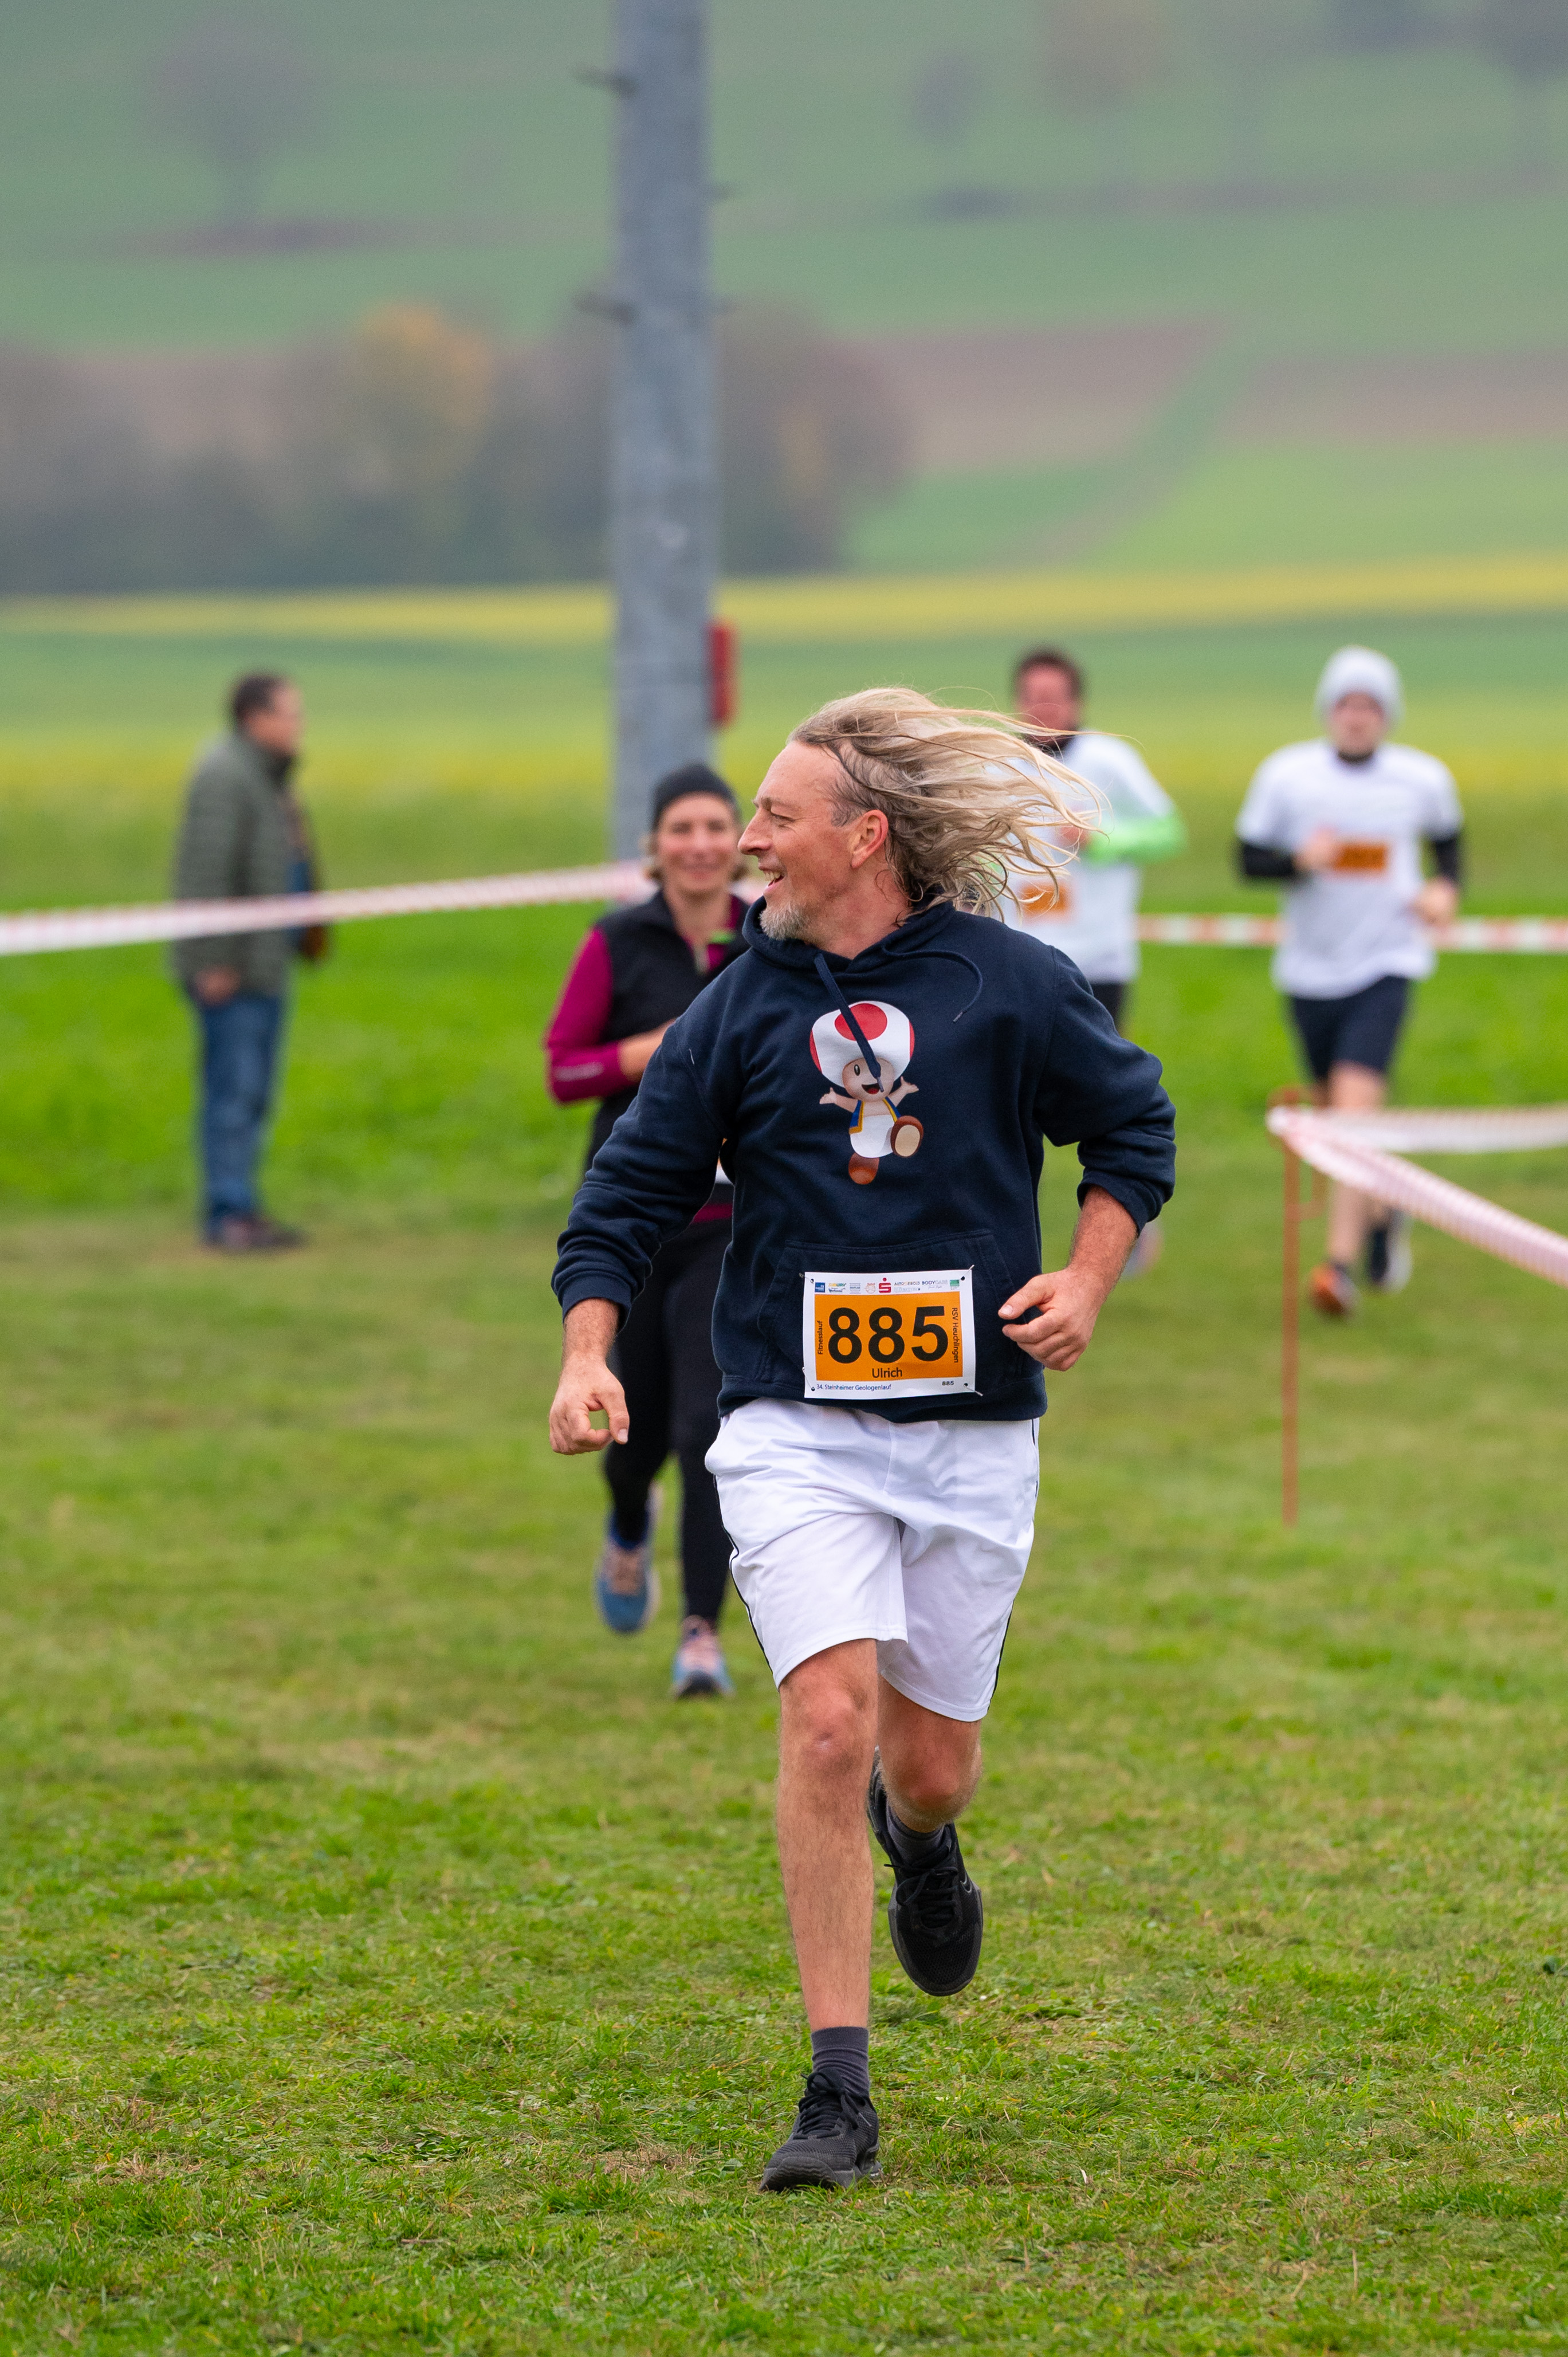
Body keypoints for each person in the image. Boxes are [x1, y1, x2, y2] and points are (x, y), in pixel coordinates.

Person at [549, 690, 1175, 2190]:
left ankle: (927, 1842)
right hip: (791, 1420)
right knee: (827, 1721)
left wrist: (1087, 1276)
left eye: (775, 816)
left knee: (929, 1766)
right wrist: (586, 1350)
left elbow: (1134, 1128)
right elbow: (626, 1190)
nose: (749, 841)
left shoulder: (1009, 984)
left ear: (865, 836)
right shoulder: (737, 1007)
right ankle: (838, 2088)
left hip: (970, 1433)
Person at [544, 764, 749, 1699]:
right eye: (682, 828)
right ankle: (629, 1519)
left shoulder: (766, 938)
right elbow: (563, 1071)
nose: (699, 844)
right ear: (655, 846)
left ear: (740, 841)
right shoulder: (616, 940)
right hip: (637, 1218)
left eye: (715, 826)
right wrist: (648, 1050)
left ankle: (701, 1632)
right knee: (638, 1432)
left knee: (709, 1426)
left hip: (731, 1220)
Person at [1236, 645, 1463, 1318]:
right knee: (1334, 1113)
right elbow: (1247, 859)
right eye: (1346, 703)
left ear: (1386, 714)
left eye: (1369, 705)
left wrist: (1444, 892)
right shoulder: (1288, 775)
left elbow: (1449, 848)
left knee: (1350, 1117)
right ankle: (1386, 1210)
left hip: (1387, 962)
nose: (1357, 716)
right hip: (1310, 971)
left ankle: (1336, 1267)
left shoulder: (1421, 778)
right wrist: (1297, 861)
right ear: (1328, 711)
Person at [171, 673, 325, 1252]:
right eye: (289, 714)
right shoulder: (224, 775)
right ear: (255, 717)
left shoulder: (265, 776)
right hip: (232, 968)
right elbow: (205, 872)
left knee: (253, 1092)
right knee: (233, 1094)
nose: (298, 725)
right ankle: (229, 1211)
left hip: (264, 961)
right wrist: (213, 959)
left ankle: (243, 1205)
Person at [1005, 645, 1186, 1036]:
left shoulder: (1109, 759)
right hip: (1018, 957)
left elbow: (1168, 832)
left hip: (1097, 958)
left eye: (1053, 698)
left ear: (1076, 701)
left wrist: (1100, 838)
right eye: (1033, 698)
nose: (1043, 709)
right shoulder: (996, 766)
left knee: (1096, 1067)